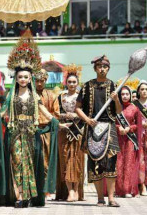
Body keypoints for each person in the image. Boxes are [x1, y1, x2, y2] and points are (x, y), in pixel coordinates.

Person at [0, 31, 69, 208]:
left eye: (26, 77)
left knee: (30, 165)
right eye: (20, 77)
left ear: (30, 78)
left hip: (32, 135)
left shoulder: (35, 96)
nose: (23, 79)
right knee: (17, 163)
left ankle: (29, 196)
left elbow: (46, 113)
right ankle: (21, 195)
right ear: (15, 79)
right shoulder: (11, 95)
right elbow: (2, 113)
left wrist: (58, 124)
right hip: (15, 134)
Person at [75, 55, 122, 207]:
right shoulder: (88, 86)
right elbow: (77, 108)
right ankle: (100, 198)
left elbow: (119, 111)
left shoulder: (113, 86)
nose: (102, 69)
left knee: (110, 163)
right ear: (95, 68)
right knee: (95, 164)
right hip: (92, 127)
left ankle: (111, 198)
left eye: (105, 66)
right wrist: (87, 120)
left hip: (109, 127)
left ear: (108, 69)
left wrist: (116, 100)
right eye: (100, 66)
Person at [56, 64, 85, 202]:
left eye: (74, 82)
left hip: (78, 131)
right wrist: (64, 117)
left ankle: (77, 189)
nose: (72, 84)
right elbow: (55, 114)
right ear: (66, 83)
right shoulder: (60, 97)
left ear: (78, 83)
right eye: (69, 82)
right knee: (65, 160)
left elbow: (87, 114)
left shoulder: (82, 97)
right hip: (64, 131)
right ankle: (70, 191)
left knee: (77, 160)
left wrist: (76, 116)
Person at [35, 69, 60, 199]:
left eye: (42, 81)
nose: (39, 83)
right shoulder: (29, 94)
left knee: (46, 160)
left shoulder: (52, 95)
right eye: (37, 80)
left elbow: (56, 114)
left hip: (47, 131)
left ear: (45, 81)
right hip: (32, 131)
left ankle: (46, 190)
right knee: (34, 160)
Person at [115, 86, 142, 198]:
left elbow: (138, 125)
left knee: (129, 163)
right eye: (122, 94)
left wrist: (129, 128)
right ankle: (119, 190)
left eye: (127, 94)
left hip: (130, 139)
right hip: (118, 138)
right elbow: (112, 122)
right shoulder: (116, 107)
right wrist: (118, 127)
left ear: (130, 95)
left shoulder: (135, 108)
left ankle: (127, 190)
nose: (125, 96)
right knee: (119, 163)